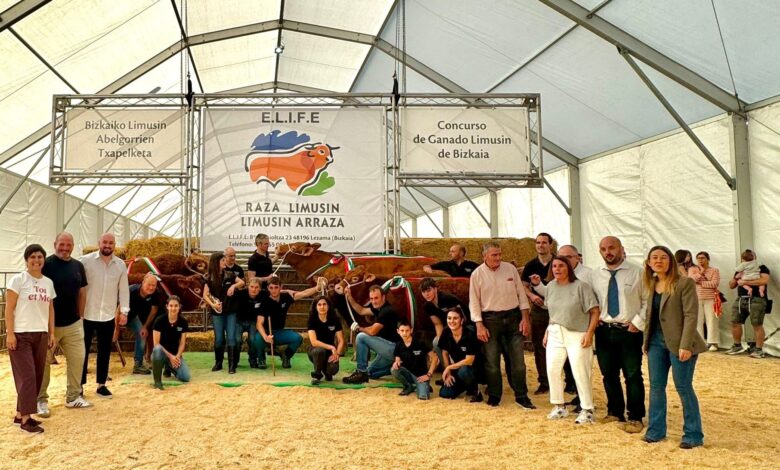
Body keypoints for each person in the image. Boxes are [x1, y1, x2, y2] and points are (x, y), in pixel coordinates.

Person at [642, 246, 706, 449]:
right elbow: (649, 316)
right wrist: (646, 342)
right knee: (656, 388)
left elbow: (691, 316)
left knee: (683, 387)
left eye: (663, 257)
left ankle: (693, 435)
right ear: (649, 262)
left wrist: (685, 345)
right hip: (655, 344)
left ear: (670, 261)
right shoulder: (652, 284)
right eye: (654, 258)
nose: (658, 261)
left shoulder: (684, 283)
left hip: (680, 344)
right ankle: (655, 431)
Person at [530, 256, 599, 424]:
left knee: (580, 371)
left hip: (578, 333)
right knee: (552, 369)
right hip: (555, 332)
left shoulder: (581, 286)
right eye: (554, 266)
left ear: (569, 268)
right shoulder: (551, 287)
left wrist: (589, 333)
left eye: (561, 266)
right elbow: (553, 311)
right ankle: (559, 406)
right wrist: (548, 329)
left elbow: (595, 311)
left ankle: (587, 409)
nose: (557, 269)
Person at [470, 241, 535, 409]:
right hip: (490, 320)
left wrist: (525, 319)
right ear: (484, 256)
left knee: (518, 361)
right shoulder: (476, 275)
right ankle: (494, 395)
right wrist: (479, 325)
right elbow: (474, 302)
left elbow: (521, 294)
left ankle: (522, 396)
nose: (498, 258)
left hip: (514, 318)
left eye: (499, 254)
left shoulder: (510, 269)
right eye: (494, 255)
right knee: (491, 361)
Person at [591, 236, 646, 433]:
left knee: (632, 375)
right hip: (604, 331)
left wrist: (638, 323)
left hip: (629, 331)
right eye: (604, 249)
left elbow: (647, 301)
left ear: (621, 249)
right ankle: (614, 411)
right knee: (608, 374)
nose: (608, 252)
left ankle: (636, 416)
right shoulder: (595, 275)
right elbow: (592, 300)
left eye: (612, 248)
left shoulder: (638, 272)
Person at [38, 232, 92, 417]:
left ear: (73, 245)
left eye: (69, 245)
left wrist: (81, 315)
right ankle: (41, 400)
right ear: (55, 244)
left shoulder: (78, 266)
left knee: (78, 359)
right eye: (62, 244)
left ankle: (73, 397)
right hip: (48, 325)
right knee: (43, 363)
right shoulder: (46, 264)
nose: (65, 248)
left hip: (73, 324)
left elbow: (82, 292)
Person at [6, 244, 56, 434]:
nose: (36, 260)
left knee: (37, 375)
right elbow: (9, 309)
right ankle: (27, 419)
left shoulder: (48, 283)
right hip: (21, 334)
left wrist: (51, 333)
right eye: (32, 257)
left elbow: (50, 309)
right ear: (26, 260)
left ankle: (20, 414)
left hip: (41, 334)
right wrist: (10, 334)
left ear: (44, 259)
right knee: (27, 376)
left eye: (40, 257)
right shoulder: (18, 280)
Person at [80, 233, 130, 399]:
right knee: (82, 351)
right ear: (99, 243)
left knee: (104, 351)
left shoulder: (120, 265)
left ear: (115, 245)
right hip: (86, 314)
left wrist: (124, 311)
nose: (107, 245)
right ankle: (78, 386)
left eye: (111, 243)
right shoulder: (85, 261)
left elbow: (123, 290)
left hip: (107, 315)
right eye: (104, 242)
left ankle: (101, 385)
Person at [256, 277, 324, 369]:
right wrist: (265, 337)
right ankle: (261, 359)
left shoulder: (286, 297)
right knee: (257, 338)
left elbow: (304, 293)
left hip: (279, 332)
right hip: (267, 331)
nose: (274, 290)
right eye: (271, 288)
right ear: (268, 288)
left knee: (298, 338)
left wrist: (317, 288)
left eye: (276, 287)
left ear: (281, 287)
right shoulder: (264, 301)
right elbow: (259, 323)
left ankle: (286, 356)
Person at [342, 285, 402, 384]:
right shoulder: (378, 308)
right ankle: (394, 368)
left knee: (361, 337)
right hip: (388, 350)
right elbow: (361, 311)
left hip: (394, 349)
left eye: (376, 298)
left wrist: (358, 328)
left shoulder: (386, 311)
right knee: (370, 372)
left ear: (383, 297)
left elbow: (372, 331)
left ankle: (361, 372)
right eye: (371, 298)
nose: (373, 301)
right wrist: (349, 297)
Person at [520, 232, 554, 395]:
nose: (540, 245)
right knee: (540, 346)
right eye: (538, 242)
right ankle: (544, 382)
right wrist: (532, 296)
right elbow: (523, 285)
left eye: (544, 242)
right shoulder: (530, 265)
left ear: (550, 245)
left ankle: (569, 382)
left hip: (558, 310)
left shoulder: (558, 263)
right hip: (539, 310)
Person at [726, 249, 770, 358]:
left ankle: (759, 349)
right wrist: (735, 279)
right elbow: (731, 285)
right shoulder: (741, 268)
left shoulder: (761, 267)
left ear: (755, 257)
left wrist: (745, 282)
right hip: (741, 298)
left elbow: (764, 280)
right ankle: (737, 345)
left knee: (757, 324)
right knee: (735, 322)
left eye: (750, 257)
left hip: (757, 299)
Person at [420, 277, 468, 364]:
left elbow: (463, 318)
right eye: (423, 292)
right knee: (436, 342)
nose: (426, 294)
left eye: (429, 290)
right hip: (449, 328)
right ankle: (447, 371)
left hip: (464, 326)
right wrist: (441, 340)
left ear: (435, 289)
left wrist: (451, 334)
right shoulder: (428, 306)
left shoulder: (447, 299)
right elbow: (438, 324)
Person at [118, 273, 160, 375]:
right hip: (118, 315)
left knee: (142, 334)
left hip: (132, 317)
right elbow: (117, 308)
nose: (151, 288)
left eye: (153, 285)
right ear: (143, 282)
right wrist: (116, 328)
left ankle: (138, 364)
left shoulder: (155, 293)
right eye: (149, 284)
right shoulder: (130, 291)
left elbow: (154, 311)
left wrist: (145, 327)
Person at [439, 307, 482, 402]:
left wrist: (449, 367)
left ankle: (475, 391)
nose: (452, 321)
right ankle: (465, 385)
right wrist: (449, 374)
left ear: (462, 320)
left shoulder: (470, 333)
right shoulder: (446, 331)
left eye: (455, 318)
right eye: (449, 318)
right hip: (459, 368)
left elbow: (469, 360)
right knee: (444, 393)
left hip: (475, 368)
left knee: (464, 370)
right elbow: (444, 352)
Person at [391, 320, 438, 400]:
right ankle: (408, 386)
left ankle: (424, 385)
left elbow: (435, 357)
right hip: (408, 373)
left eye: (407, 330)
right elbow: (397, 358)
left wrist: (429, 375)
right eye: (402, 330)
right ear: (398, 331)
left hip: (421, 376)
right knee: (393, 369)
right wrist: (396, 362)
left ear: (411, 330)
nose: (404, 333)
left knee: (423, 397)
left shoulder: (420, 343)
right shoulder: (398, 344)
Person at [151, 296, 191, 390]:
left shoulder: (183, 322)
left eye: (176, 306)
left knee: (185, 377)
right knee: (157, 349)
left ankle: (169, 367)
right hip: (161, 353)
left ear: (179, 307)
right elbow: (156, 343)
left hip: (174, 354)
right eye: (171, 305)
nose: (173, 308)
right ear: (167, 306)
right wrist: (170, 357)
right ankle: (157, 382)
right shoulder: (159, 321)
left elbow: (182, 343)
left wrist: (177, 356)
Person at [306, 296, 345, 385]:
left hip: (330, 352)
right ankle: (317, 375)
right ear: (315, 307)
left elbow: (341, 340)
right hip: (315, 350)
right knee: (319, 351)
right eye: (319, 305)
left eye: (324, 304)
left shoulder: (335, 320)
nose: (322, 307)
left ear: (328, 306)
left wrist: (337, 354)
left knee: (332, 370)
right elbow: (314, 342)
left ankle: (326, 371)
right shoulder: (312, 320)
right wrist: (331, 347)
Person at [688, 252, 721, 351]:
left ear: (708, 259)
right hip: (696, 297)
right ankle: (699, 341)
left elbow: (714, 283)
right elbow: (690, 281)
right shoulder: (692, 269)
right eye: (698, 258)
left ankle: (713, 342)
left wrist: (700, 283)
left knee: (712, 320)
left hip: (710, 298)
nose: (700, 260)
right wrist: (700, 272)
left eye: (703, 258)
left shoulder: (714, 270)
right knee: (697, 320)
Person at [234, 277, 264, 369]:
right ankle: (234, 360)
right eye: (251, 287)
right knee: (237, 340)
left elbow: (277, 293)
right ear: (248, 287)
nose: (253, 289)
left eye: (256, 287)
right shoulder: (240, 294)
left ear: (260, 288)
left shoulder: (263, 295)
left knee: (252, 339)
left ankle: (253, 360)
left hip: (253, 322)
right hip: (239, 321)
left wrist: (288, 291)